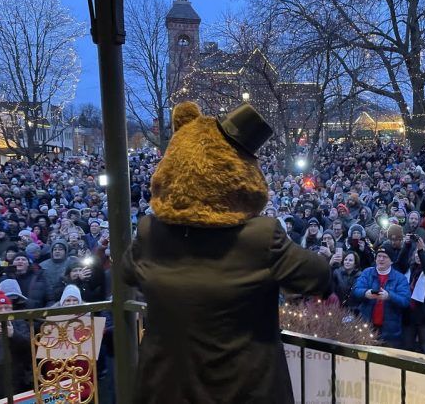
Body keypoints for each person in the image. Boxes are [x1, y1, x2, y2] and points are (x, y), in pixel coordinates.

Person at [123, 102, 330, 404]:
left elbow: (128, 272)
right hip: (245, 391)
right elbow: (319, 277)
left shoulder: (149, 233)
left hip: (166, 390)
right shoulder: (261, 237)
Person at [352, 247, 410, 348]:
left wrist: (389, 296)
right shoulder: (367, 273)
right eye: (379, 256)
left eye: (385, 257)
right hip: (367, 326)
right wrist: (365, 293)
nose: (381, 259)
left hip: (390, 331)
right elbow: (356, 290)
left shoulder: (400, 278)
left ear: (391, 261)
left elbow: (405, 301)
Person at [0, 291, 30, 397]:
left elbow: (29, 344)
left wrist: (13, 334)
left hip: (17, 372)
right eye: (0, 308)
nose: (4, 311)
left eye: (7, 308)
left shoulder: (18, 321)